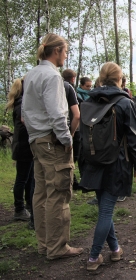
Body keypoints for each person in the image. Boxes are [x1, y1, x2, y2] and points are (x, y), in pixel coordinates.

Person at [22, 33, 83, 259]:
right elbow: (58, 114)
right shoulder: (53, 76)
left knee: (41, 194)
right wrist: (67, 140)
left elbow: (25, 113)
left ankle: (44, 245)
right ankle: (57, 247)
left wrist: (34, 135)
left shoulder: (31, 75)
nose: (66, 55)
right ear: (56, 50)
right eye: (65, 51)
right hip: (52, 142)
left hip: (36, 141)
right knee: (58, 194)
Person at [80, 62, 136, 271]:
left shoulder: (89, 100)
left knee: (104, 210)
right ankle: (93, 257)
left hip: (93, 161)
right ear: (119, 79)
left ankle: (115, 249)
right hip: (116, 163)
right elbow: (134, 138)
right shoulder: (125, 103)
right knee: (106, 212)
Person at [6, 78, 34, 225]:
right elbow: (26, 122)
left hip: (24, 145)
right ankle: (19, 209)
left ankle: (29, 204)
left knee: (29, 177)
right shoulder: (22, 102)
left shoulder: (20, 101)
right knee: (22, 178)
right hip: (23, 146)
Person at [61, 69, 81, 190]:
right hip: (71, 126)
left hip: (59, 126)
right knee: (72, 156)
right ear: (73, 78)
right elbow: (77, 114)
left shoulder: (59, 86)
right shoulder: (70, 88)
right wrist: (72, 133)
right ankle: (70, 182)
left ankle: (72, 180)